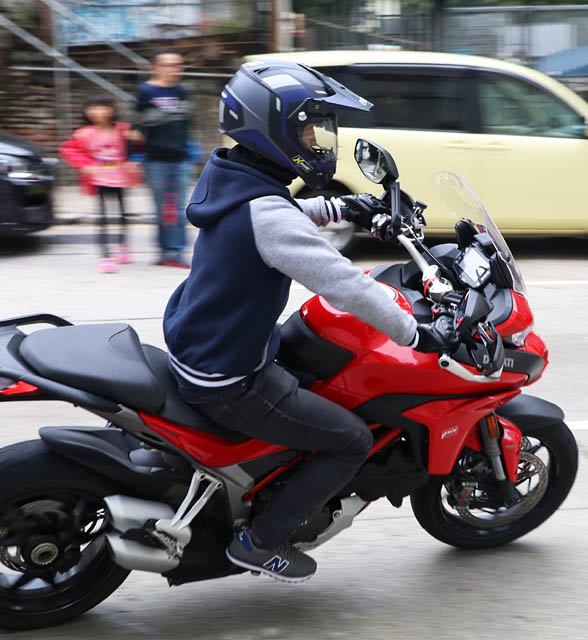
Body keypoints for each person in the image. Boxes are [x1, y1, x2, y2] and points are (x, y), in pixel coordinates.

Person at [162, 60, 457, 582]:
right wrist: (417, 333)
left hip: (204, 338)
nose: (319, 141)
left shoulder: (233, 176)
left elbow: (280, 216)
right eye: (307, 128)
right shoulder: (266, 214)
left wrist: (349, 207)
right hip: (227, 376)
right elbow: (344, 283)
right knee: (350, 440)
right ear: (270, 129)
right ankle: (259, 541)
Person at [59, 95, 139, 273]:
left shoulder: (122, 129)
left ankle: (122, 245)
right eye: (93, 108)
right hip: (100, 178)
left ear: (111, 110)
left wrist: (133, 155)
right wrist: (85, 165)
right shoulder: (84, 133)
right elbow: (68, 149)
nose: (98, 112)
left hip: (120, 177)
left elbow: (137, 147)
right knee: (103, 217)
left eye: (103, 107)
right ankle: (105, 255)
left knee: (122, 214)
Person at [135, 49, 194, 268]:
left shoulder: (182, 91)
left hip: (181, 158)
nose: (175, 69)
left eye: (178, 65)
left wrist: (191, 152)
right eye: (169, 64)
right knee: (160, 208)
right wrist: (133, 157)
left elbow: (186, 125)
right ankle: (163, 251)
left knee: (180, 208)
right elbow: (137, 127)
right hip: (155, 159)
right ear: (156, 67)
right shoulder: (145, 91)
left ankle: (176, 251)